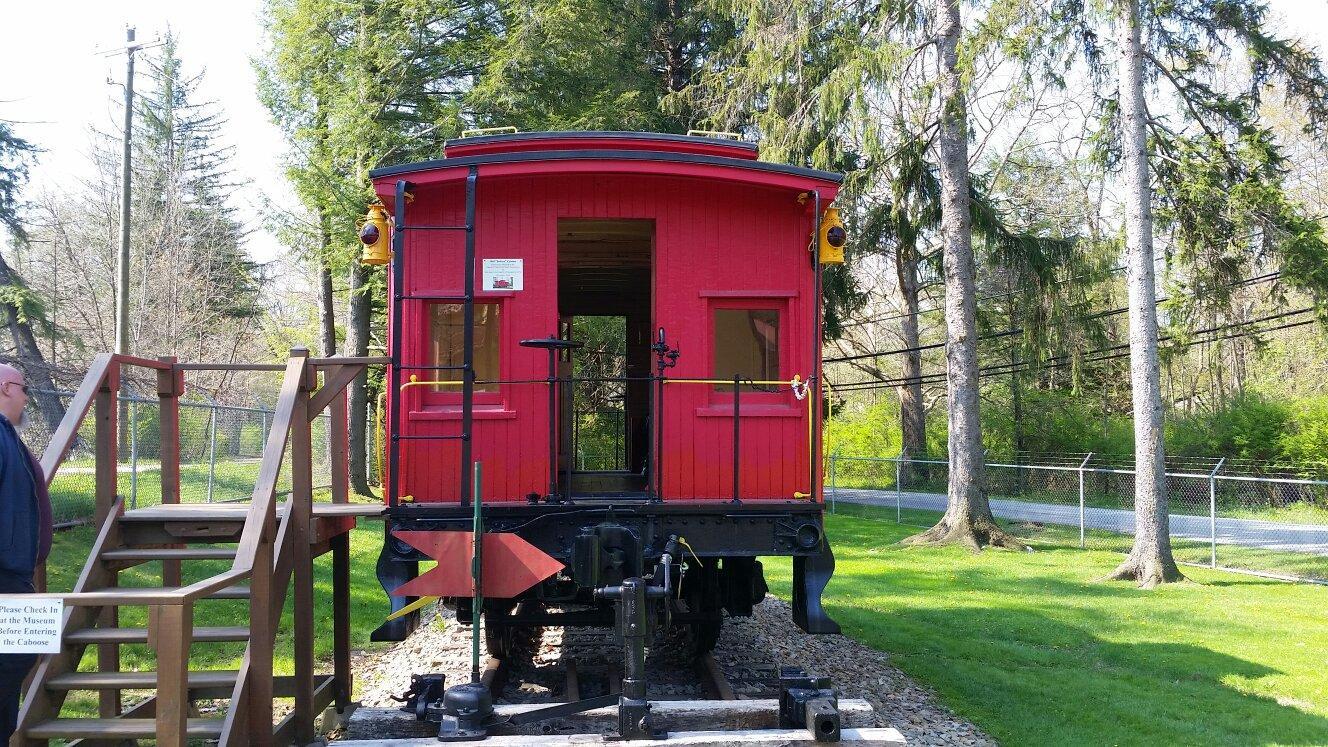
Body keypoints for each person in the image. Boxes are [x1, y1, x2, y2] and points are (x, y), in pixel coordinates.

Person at [0, 363, 51, 741]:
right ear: (5, 388)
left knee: (24, 653)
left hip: (16, 574)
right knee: (12, 660)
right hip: (4, 576)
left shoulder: (8, 435)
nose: (27, 396)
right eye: (23, 388)